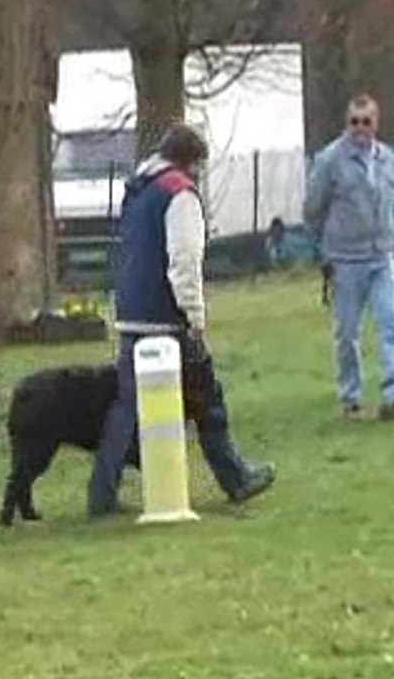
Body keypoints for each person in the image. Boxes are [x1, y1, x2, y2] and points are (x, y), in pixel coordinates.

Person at [87, 122, 276, 517]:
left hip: (130, 314)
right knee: (208, 400)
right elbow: (184, 260)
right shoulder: (179, 194)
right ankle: (237, 479)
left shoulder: (137, 190)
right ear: (193, 162)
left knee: (125, 410)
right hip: (165, 316)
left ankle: (101, 494)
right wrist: (194, 314)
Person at [304, 94, 394, 423]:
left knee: (390, 323)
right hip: (345, 260)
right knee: (347, 333)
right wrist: (324, 252)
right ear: (346, 123)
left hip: (381, 256)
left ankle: (393, 397)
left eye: (365, 122)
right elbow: (312, 209)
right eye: (353, 122)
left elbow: (393, 202)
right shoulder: (330, 161)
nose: (359, 129)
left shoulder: (387, 159)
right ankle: (351, 399)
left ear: (376, 124)